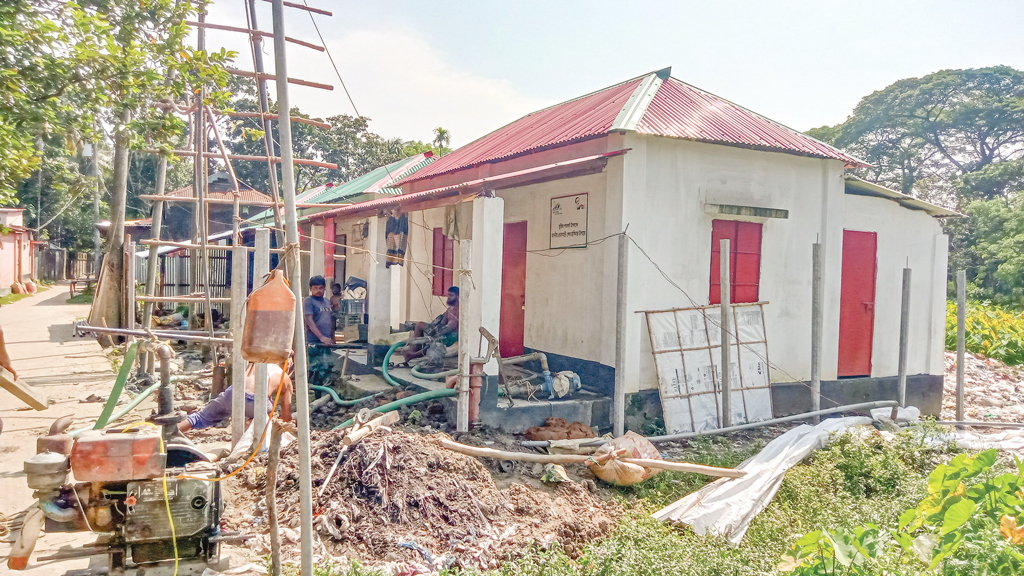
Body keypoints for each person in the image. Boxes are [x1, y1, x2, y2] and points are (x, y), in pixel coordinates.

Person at [178, 363, 293, 432]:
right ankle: (250, 434)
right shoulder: (285, 378)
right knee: (262, 422)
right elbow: (286, 418)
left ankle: (166, 435)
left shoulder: (257, 363)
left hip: (233, 392)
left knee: (200, 417)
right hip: (257, 399)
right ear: (288, 363)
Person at [403, 286, 459, 362]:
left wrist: (437, 333)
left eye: (451, 295)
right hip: (443, 330)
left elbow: (451, 327)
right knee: (420, 325)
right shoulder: (450, 308)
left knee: (433, 339)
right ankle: (414, 349)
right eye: (448, 295)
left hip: (451, 336)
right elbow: (442, 322)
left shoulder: (458, 309)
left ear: (458, 296)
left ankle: (414, 355)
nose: (448, 297)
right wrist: (434, 328)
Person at [304, 275, 336, 387]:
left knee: (325, 369)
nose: (318, 290)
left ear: (324, 289)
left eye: (321, 288)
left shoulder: (327, 302)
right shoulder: (308, 301)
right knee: (313, 370)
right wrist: (321, 337)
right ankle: (311, 395)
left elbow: (331, 320)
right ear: (311, 289)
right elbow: (309, 320)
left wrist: (333, 337)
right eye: (315, 288)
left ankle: (321, 394)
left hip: (326, 343)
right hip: (314, 343)